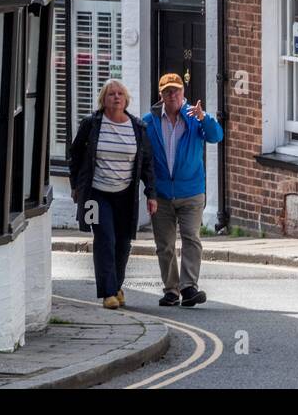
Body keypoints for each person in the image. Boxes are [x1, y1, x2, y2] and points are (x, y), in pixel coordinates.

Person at [68, 79, 156, 309]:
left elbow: (146, 164)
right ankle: (108, 293)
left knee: (123, 242)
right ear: (103, 100)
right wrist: (75, 185)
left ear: (126, 99)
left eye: (120, 94)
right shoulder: (91, 124)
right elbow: (75, 155)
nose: (116, 97)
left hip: (125, 195)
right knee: (105, 238)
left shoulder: (137, 127)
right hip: (96, 194)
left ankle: (117, 285)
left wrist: (151, 194)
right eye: (111, 94)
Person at [142, 73, 224, 307]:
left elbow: (216, 136)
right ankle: (171, 289)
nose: (173, 95)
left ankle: (189, 288)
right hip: (162, 194)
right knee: (165, 244)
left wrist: (204, 117)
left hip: (191, 191)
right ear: (161, 96)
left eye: (176, 90)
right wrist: (151, 191)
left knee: (191, 237)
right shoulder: (149, 122)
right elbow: (144, 158)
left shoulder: (194, 117)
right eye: (168, 91)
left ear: (183, 93)